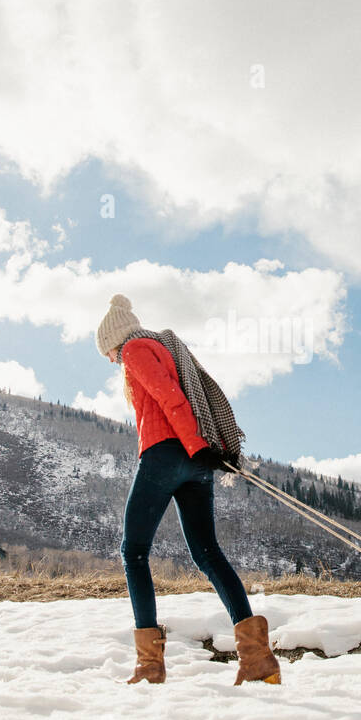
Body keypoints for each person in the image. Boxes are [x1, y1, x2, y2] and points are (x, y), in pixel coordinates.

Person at [95, 294, 281, 687]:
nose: (112, 360)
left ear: (115, 340)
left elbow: (170, 398)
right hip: (196, 463)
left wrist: (194, 445)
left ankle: (149, 665)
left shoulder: (136, 350)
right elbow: (182, 397)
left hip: (167, 455)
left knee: (134, 551)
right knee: (207, 552)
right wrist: (203, 452)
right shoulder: (166, 349)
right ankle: (257, 658)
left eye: (108, 353)